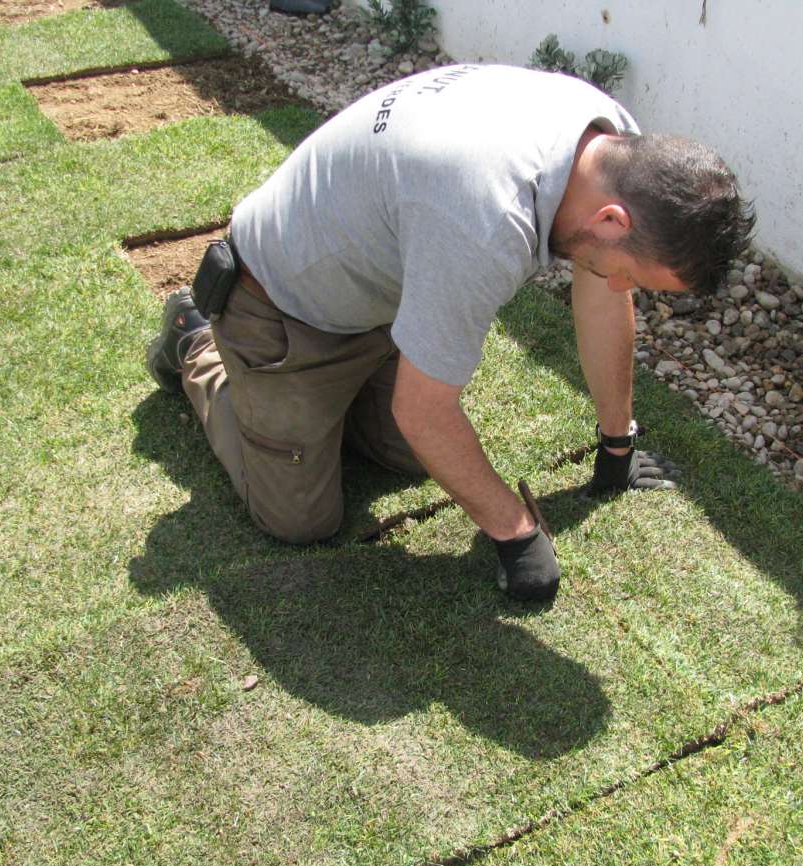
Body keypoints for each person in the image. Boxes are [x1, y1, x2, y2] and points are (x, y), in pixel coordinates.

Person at [146, 63, 754, 602]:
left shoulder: (610, 146)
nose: (623, 289)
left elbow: (598, 295)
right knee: (303, 519)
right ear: (612, 220)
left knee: (411, 461)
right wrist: (515, 532)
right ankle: (198, 340)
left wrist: (617, 442)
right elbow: (424, 410)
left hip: (379, 290)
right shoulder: (485, 218)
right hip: (281, 303)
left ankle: (328, 401)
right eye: (632, 275)